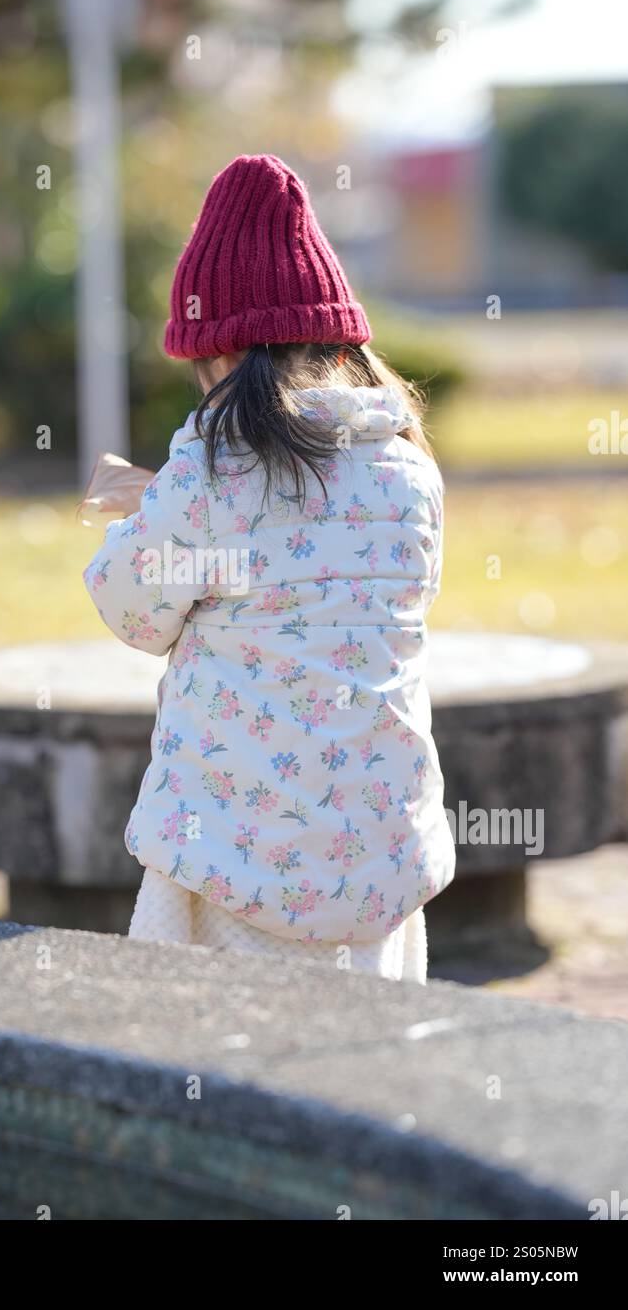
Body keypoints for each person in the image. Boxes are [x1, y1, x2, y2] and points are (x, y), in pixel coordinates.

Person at [82, 153, 455, 982]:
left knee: (208, 1061)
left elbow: (131, 611)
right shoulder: (408, 469)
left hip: (233, 858)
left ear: (218, 358)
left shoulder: (209, 474)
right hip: (381, 854)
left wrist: (150, 509)